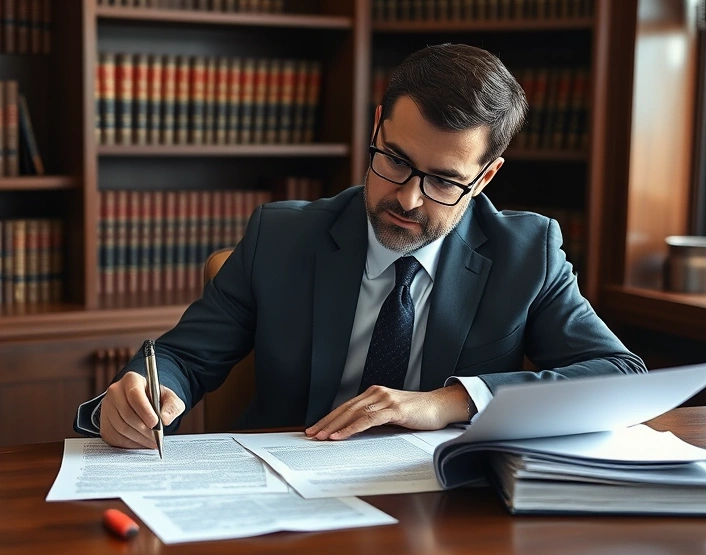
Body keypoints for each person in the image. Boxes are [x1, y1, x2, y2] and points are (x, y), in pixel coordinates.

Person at [75, 43, 646, 449]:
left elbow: (618, 375)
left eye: (444, 180)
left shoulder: (527, 251)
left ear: (486, 177)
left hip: (448, 510)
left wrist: (450, 401)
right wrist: (145, 395)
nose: (409, 199)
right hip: (285, 495)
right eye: (395, 159)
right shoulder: (281, 236)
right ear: (377, 127)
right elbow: (182, 358)